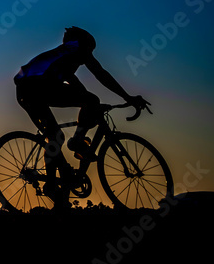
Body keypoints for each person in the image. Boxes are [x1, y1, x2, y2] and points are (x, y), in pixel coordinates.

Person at [14, 26, 149, 208]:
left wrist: (92, 107)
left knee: (76, 115)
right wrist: (128, 98)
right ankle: (71, 151)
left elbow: (82, 93)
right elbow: (100, 73)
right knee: (57, 135)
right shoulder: (74, 49)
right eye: (90, 50)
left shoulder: (65, 63)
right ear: (83, 45)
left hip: (36, 88)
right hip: (31, 89)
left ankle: (59, 183)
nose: (90, 56)